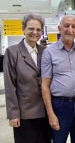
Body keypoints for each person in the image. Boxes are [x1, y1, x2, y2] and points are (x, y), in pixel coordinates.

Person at [41, 15, 75, 143]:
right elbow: (44, 85)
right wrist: (50, 113)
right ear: (60, 28)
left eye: (73, 27)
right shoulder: (49, 53)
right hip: (60, 106)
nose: (69, 29)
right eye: (66, 26)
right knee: (58, 140)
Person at [3, 13, 51, 143]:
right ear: (23, 29)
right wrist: (13, 114)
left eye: (38, 29)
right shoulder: (12, 52)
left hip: (46, 112)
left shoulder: (45, 51)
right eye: (31, 28)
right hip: (25, 114)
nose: (35, 32)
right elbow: (10, 85)